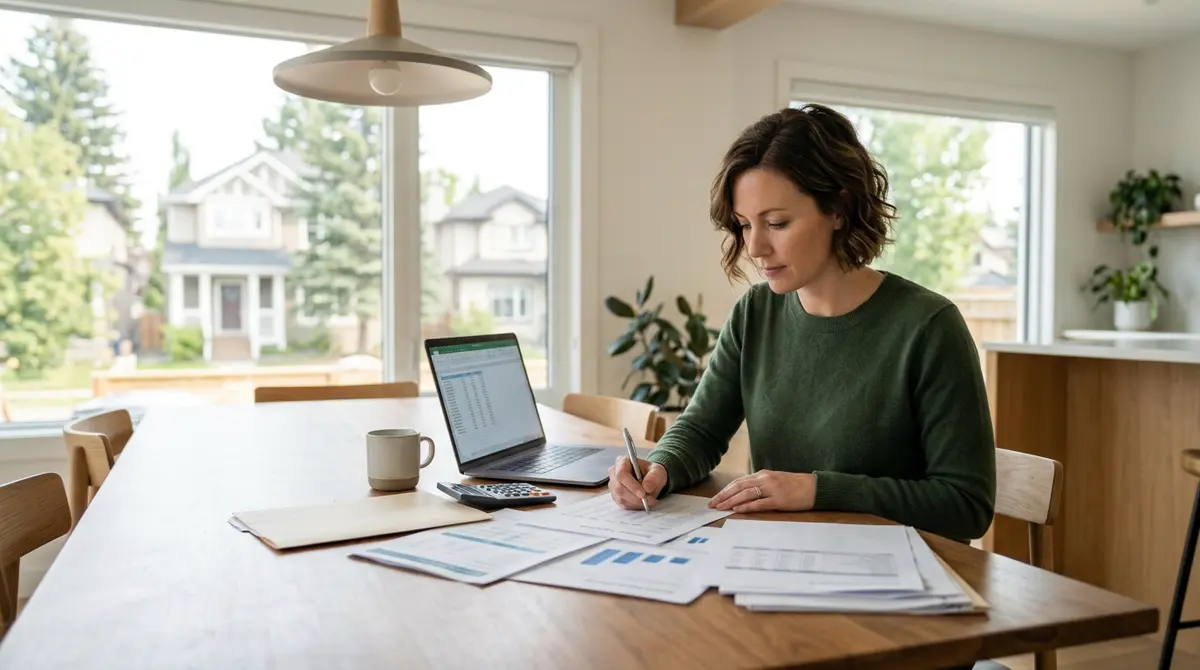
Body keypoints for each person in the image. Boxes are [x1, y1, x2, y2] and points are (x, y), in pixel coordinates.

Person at [608, 104, 996, 542]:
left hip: (893, 581)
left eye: (777, 223)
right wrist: (660, 467)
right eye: (743, 225)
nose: (755, 247)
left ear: (838, 209)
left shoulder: (929, 327)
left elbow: (966, 505)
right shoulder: (755, 313)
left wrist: (818, 489)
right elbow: (701, 429)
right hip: (780, 557)